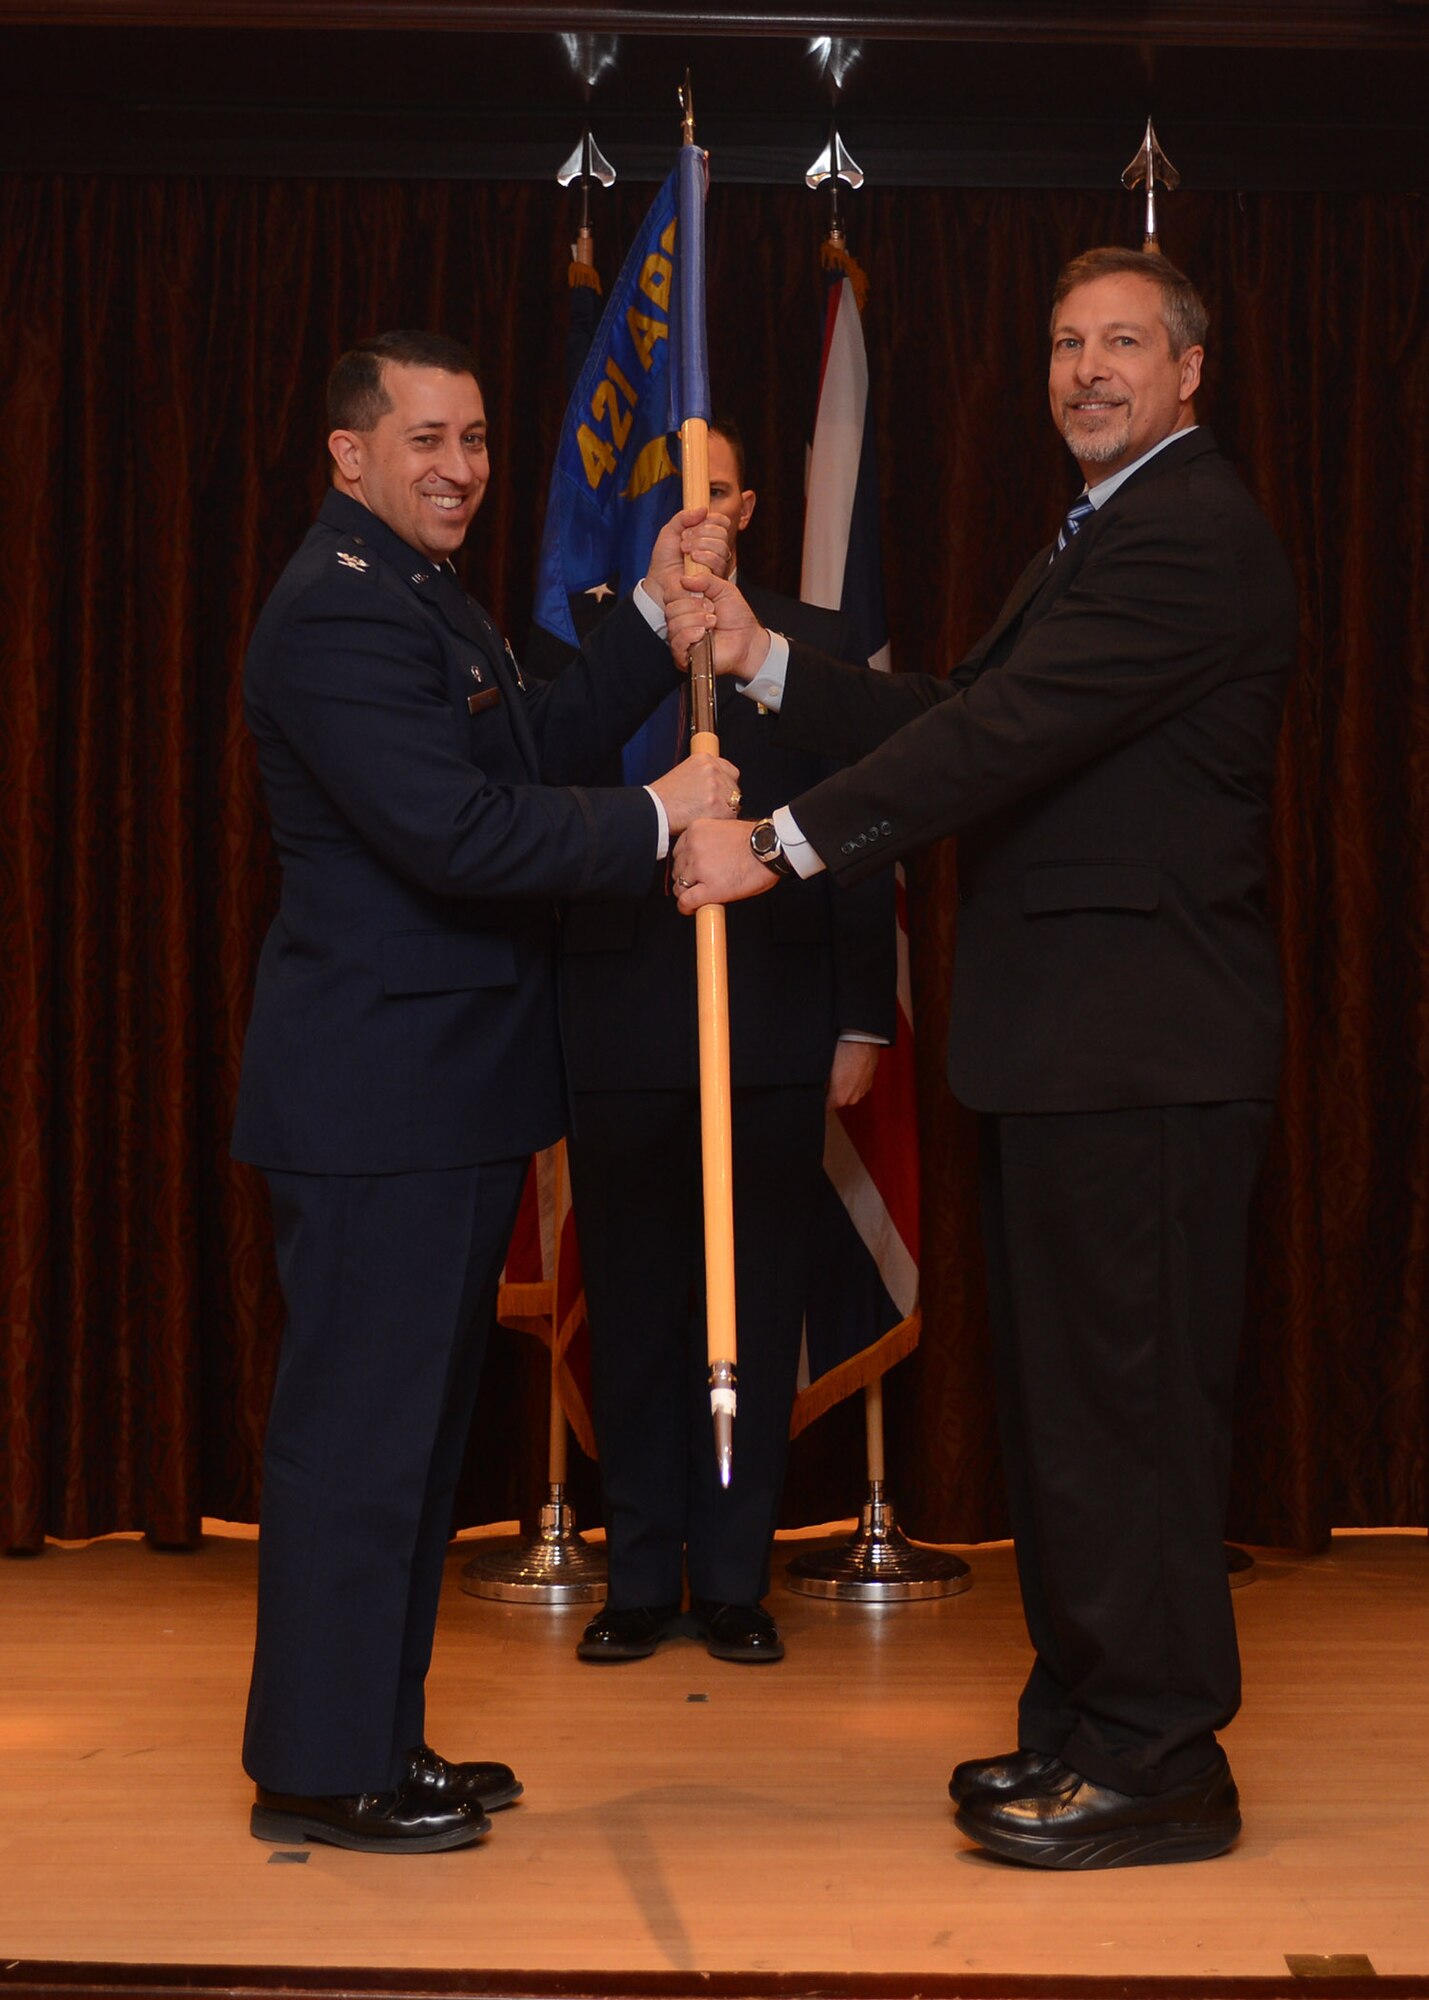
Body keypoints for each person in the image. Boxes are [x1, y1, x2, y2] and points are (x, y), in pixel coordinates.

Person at [668, 249, 1297, 1869]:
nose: (1084, 368)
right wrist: (757, 661)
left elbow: (991, 741)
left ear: (1186, 375)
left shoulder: (1187, 536)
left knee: (1131, 1421)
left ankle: (1157, 1765)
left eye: (1120, 344)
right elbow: (960, 708)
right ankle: (1089, 1730)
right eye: (1062, 342)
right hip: (1069, 1059)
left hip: (1137, 1059)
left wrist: (778, 845)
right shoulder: (1100, 538)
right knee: (1074, 1422)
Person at [232, 329, 738, 1854]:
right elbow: (456, 833)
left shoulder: (419, 596)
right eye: (424, 440)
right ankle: (323, 1769)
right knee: (357, 1450)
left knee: (412, 1448)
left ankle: (375, 1735)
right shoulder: (334, 616)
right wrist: (660, 814)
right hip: (375, 1099)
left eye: (473, 439)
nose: (457, 467)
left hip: (432, 1095)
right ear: (348, 452)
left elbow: (531, 745)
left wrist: (656, 608)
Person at [551, 421, 896, 1668]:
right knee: (638, 1308)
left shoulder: (815, 639)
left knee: (752, 1297)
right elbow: (542, 788)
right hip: (618, 1016)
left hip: (769, 1013)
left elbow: (866, 822)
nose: (695, 512)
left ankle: (737, 1577)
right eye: (672, 494)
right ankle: (642, 1573)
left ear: (745, 505)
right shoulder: (582, 627)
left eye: (714, 491)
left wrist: (861, 1010)